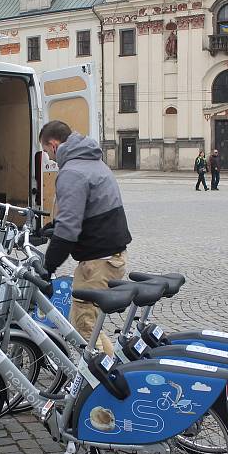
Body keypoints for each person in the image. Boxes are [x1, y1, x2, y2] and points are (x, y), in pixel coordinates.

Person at [39, 121, 132, 356]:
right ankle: (110, 373)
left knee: (84, 326)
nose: (49, 158)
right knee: (89, 323)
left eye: (47, 152)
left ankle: (111, 381)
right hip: (111, 256)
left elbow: (69, 229)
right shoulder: (93, 161)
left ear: (53, 144)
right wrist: (53, 226)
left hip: (97, 262)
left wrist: (47, 268)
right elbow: (84, 211)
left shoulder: (71, 171)